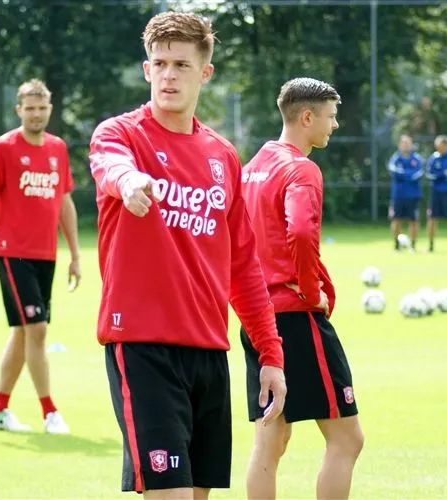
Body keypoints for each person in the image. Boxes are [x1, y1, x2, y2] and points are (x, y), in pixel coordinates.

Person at [88, 11, 287, 499]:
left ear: (205, 72)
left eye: (180, 64)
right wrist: (129, 181)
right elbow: (109, 166)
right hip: (142, 346)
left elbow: (243, 265)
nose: (168, 75)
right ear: (146, 69)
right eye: (159, 63)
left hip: (208, 351)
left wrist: (271, 353)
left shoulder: (222, 156)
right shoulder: (121, 135)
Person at [240, 77, 364, 500]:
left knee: (269, 442)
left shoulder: (251, 168)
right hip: (295, 318)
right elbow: (302, 232)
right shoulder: (300, 168)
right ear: (306, 117)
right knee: (347, 439)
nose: (334, 125)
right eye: (330, 117)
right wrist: (312, 292)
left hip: (256, 319)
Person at [0, 79, 81, 435]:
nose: (36, 114)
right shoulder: (3, 148)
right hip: (12, 254)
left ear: (49, 109)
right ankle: (50, 412)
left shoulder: (58, 149)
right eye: (29, 108)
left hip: (45, 255)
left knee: (22, 333)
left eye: (41, 108)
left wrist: (75, 254)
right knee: (37, 329)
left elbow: (64, 202)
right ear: (18, 110)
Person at [387, 134, 424, 251]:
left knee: (414, 220)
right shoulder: (395, 159)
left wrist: (404, 174)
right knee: (396, 220)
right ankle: (397, 245)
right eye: (404, 143)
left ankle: (413, 245)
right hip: (398, 195)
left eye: (408, 143)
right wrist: (408, 174)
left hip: (413, 195)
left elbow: (418, 173)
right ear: (399, 145)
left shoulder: (417, 159)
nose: (406, 145)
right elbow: (393, 170)